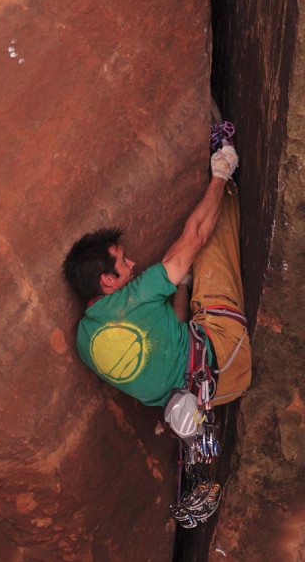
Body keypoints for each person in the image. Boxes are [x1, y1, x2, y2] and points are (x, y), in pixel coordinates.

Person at [62, 143, 252, 408]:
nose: (132, 264)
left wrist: (183, 286)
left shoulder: (85, 342)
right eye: (123, 260)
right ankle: (230, 186)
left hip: (207, 401)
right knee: (208, 240)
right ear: (106, 280)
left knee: (185, 291)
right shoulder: (137, 296)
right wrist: (220, 174)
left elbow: (169, 333)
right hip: (231, 354)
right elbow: (195, 235)